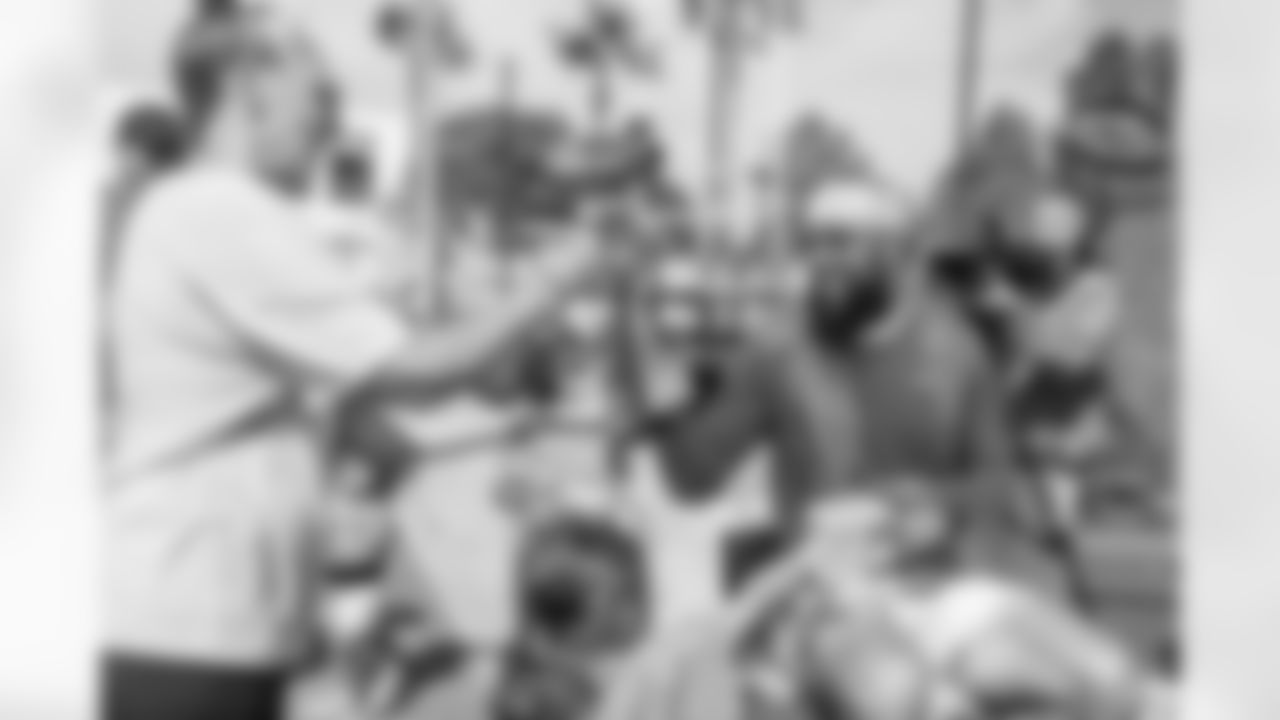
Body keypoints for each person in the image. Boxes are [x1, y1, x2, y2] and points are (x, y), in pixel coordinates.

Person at [101, 10, 625, 720]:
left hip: (214, 629)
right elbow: (418, 368)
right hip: (187, 633)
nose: (329, 124)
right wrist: (553, 281)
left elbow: (386, 399)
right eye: (318, 96)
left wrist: (484, 386)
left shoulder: (215, 212)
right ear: (248, 87)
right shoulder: (219, 211)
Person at [644, 181, 1013, 594]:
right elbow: (692, 483)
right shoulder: (778, 351)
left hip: (925, 598)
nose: (821, 261)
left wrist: (941, 506)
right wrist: (675, 415)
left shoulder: (956, 352)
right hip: (815, 600)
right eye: (812, 245)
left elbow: (998, 485)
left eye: (840, 243)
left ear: (891, 251)